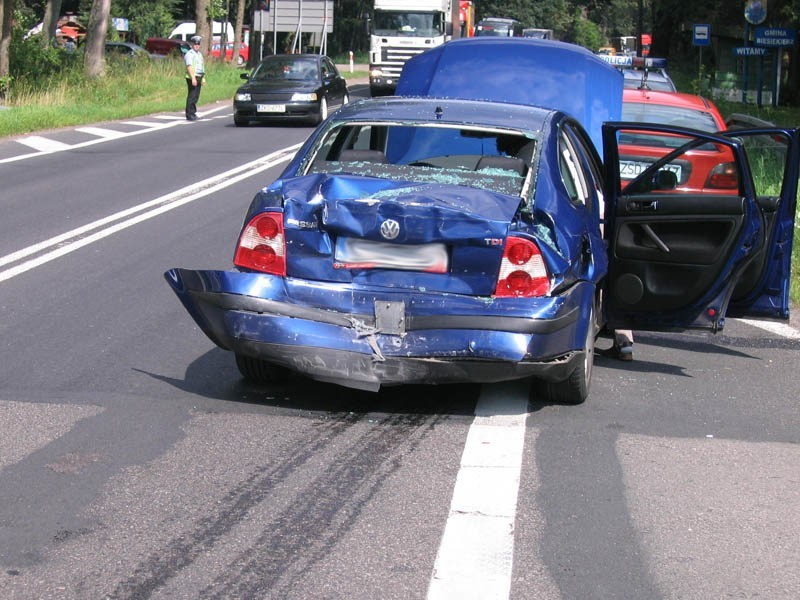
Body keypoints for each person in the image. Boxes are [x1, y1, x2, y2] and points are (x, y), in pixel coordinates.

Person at [184, 35, 205, 121]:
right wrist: (193, 78)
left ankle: (193, 112)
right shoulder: (190, 54)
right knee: (192, 96)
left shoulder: (199, 54)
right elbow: (189, 67)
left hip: (199, 76)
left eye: (198, 44)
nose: (197, 45)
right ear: (192, 44)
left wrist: (203, 78)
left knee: (196, 96)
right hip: (192, 76)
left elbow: (202, 66)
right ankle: (189, 114)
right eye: (195, 44)